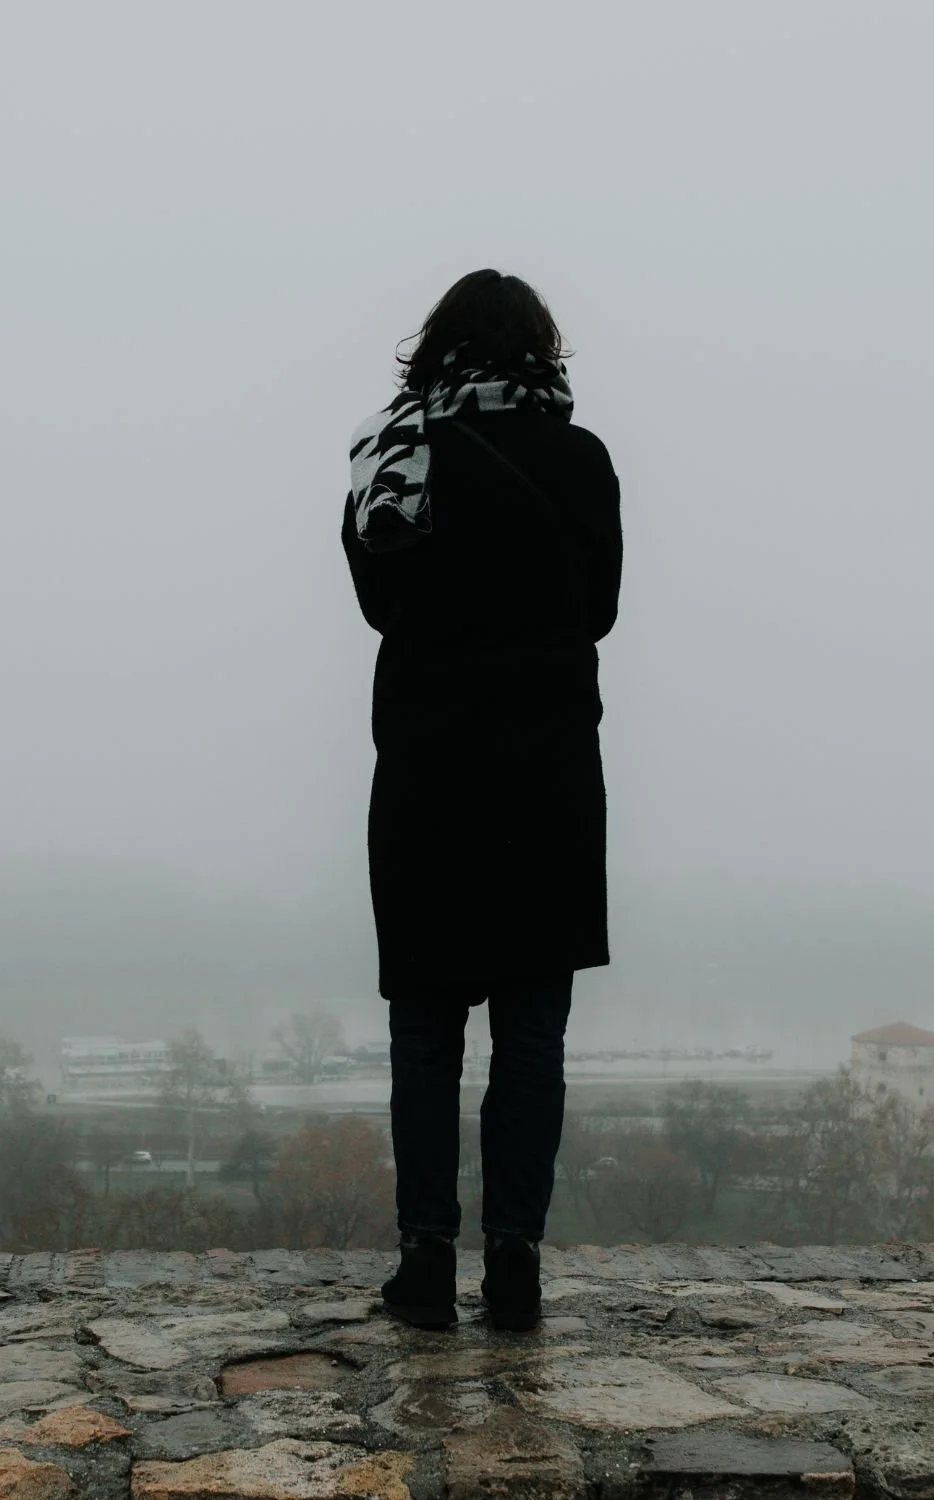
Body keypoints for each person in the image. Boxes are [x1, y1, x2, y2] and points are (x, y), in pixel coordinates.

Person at [340, 270, 622, 1331]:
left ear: (435, 347)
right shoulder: (581, 459)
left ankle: (423, 1263)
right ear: (541, 350)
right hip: (547, 774)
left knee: (425, 1026)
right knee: (532, 1029)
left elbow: (380, 603)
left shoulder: (394, 457)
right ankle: (514, 1261)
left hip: (427, 772)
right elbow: (596, 611)